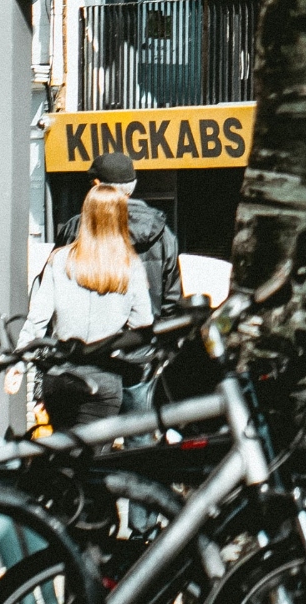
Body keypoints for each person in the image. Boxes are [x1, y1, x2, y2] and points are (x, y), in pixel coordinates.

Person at [54, 153, 181, 445]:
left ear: (97, 185)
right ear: (133, 185)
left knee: (83, 447)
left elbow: (55, 296)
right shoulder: (163, 234)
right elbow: (172, 301)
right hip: (139, 358)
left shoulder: (76, 229)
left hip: (88, 358)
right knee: (139, 448)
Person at [23, 184, 154, 430]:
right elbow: (142, 324)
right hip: (103, 376)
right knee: (92, 461)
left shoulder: (59, 260)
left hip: (60, 375)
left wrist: (18, 365)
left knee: (61, 451)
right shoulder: (130, 266)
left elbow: (37, 320)